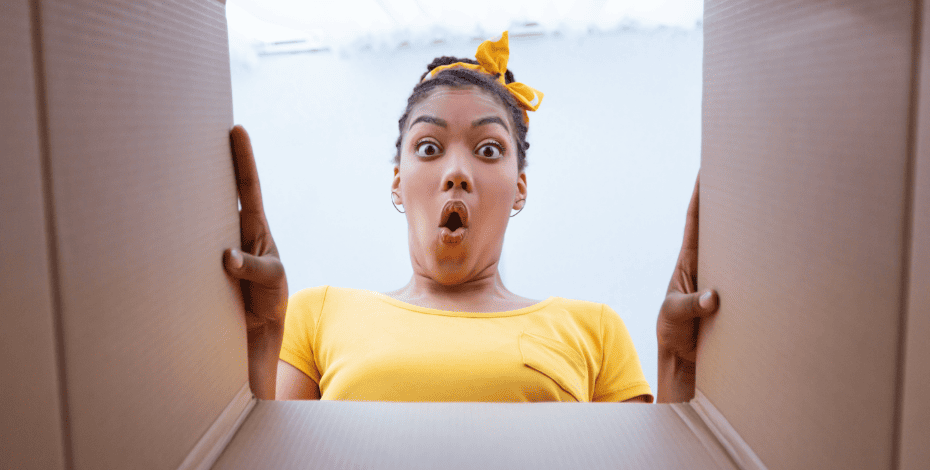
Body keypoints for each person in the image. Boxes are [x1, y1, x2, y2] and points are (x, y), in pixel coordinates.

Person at [222, 32, 719, 403]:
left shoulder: (595, 330)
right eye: (430, 147)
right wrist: (262, 340)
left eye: (487, 149)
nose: (457, 172)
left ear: (519, 187)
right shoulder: (318, 314)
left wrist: (682, 368)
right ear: (398, 180)